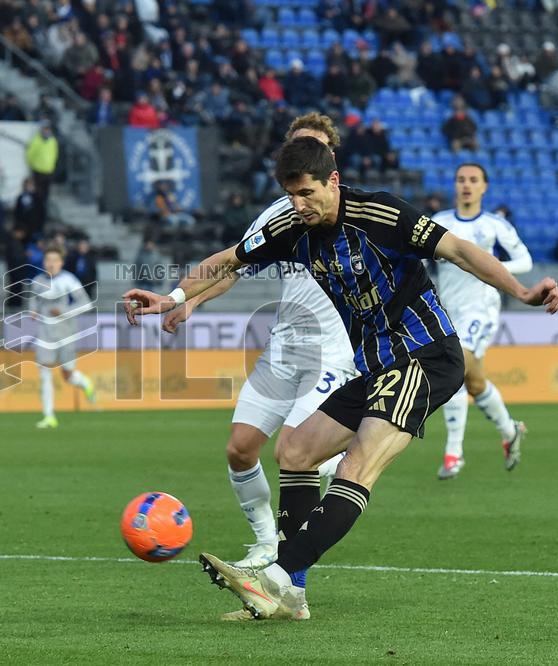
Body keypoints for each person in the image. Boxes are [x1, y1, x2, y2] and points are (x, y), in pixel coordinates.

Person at [123, 136, 558, 620]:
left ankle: (276, 577)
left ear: (333, 181)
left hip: (426, 355)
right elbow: (228, 260)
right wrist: (174, 297)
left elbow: (457, 249)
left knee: (357, 463)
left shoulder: (380, 214)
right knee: (294, 451)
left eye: (307, 193)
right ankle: (292, 596)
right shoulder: (291, 227)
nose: (299, 205)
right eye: (291, 195)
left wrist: (522, 291)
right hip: (376, 365)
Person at [160, 114, 357, 622]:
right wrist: (191, 302)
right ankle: (265, 544)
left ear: (331, 162)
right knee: (240, 447)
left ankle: (293, 587)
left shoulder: (354, 214)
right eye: (296, 151)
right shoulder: (281, 215)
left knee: (297, 453)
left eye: (314, 150)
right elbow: (233, 264)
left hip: (333, 350)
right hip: (284, 348)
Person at [432, 164, 532, 480]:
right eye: (461, 179)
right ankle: (510, 430)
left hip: (482, 309)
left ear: (484, 187)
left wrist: (489, 265)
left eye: (473, 180)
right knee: (474, 382)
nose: (466, 185)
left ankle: (453, 454)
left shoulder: (494, 225)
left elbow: (525, 261)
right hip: (446, 310)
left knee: (456, 368)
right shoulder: (440, 223)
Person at [30, 246, 96, 429]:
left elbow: (85, 304)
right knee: (45, 373)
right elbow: (33, 299)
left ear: (61, 262)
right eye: (48, 260)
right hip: (45, 333)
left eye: (54, 260)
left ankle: (84, 382)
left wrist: (64, 311)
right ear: (44, 262)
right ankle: (49, 416)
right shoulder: (37, 281)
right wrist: (33, 310)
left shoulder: (68, 280)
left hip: (66, 332)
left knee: (67, 375)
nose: (50, 263)